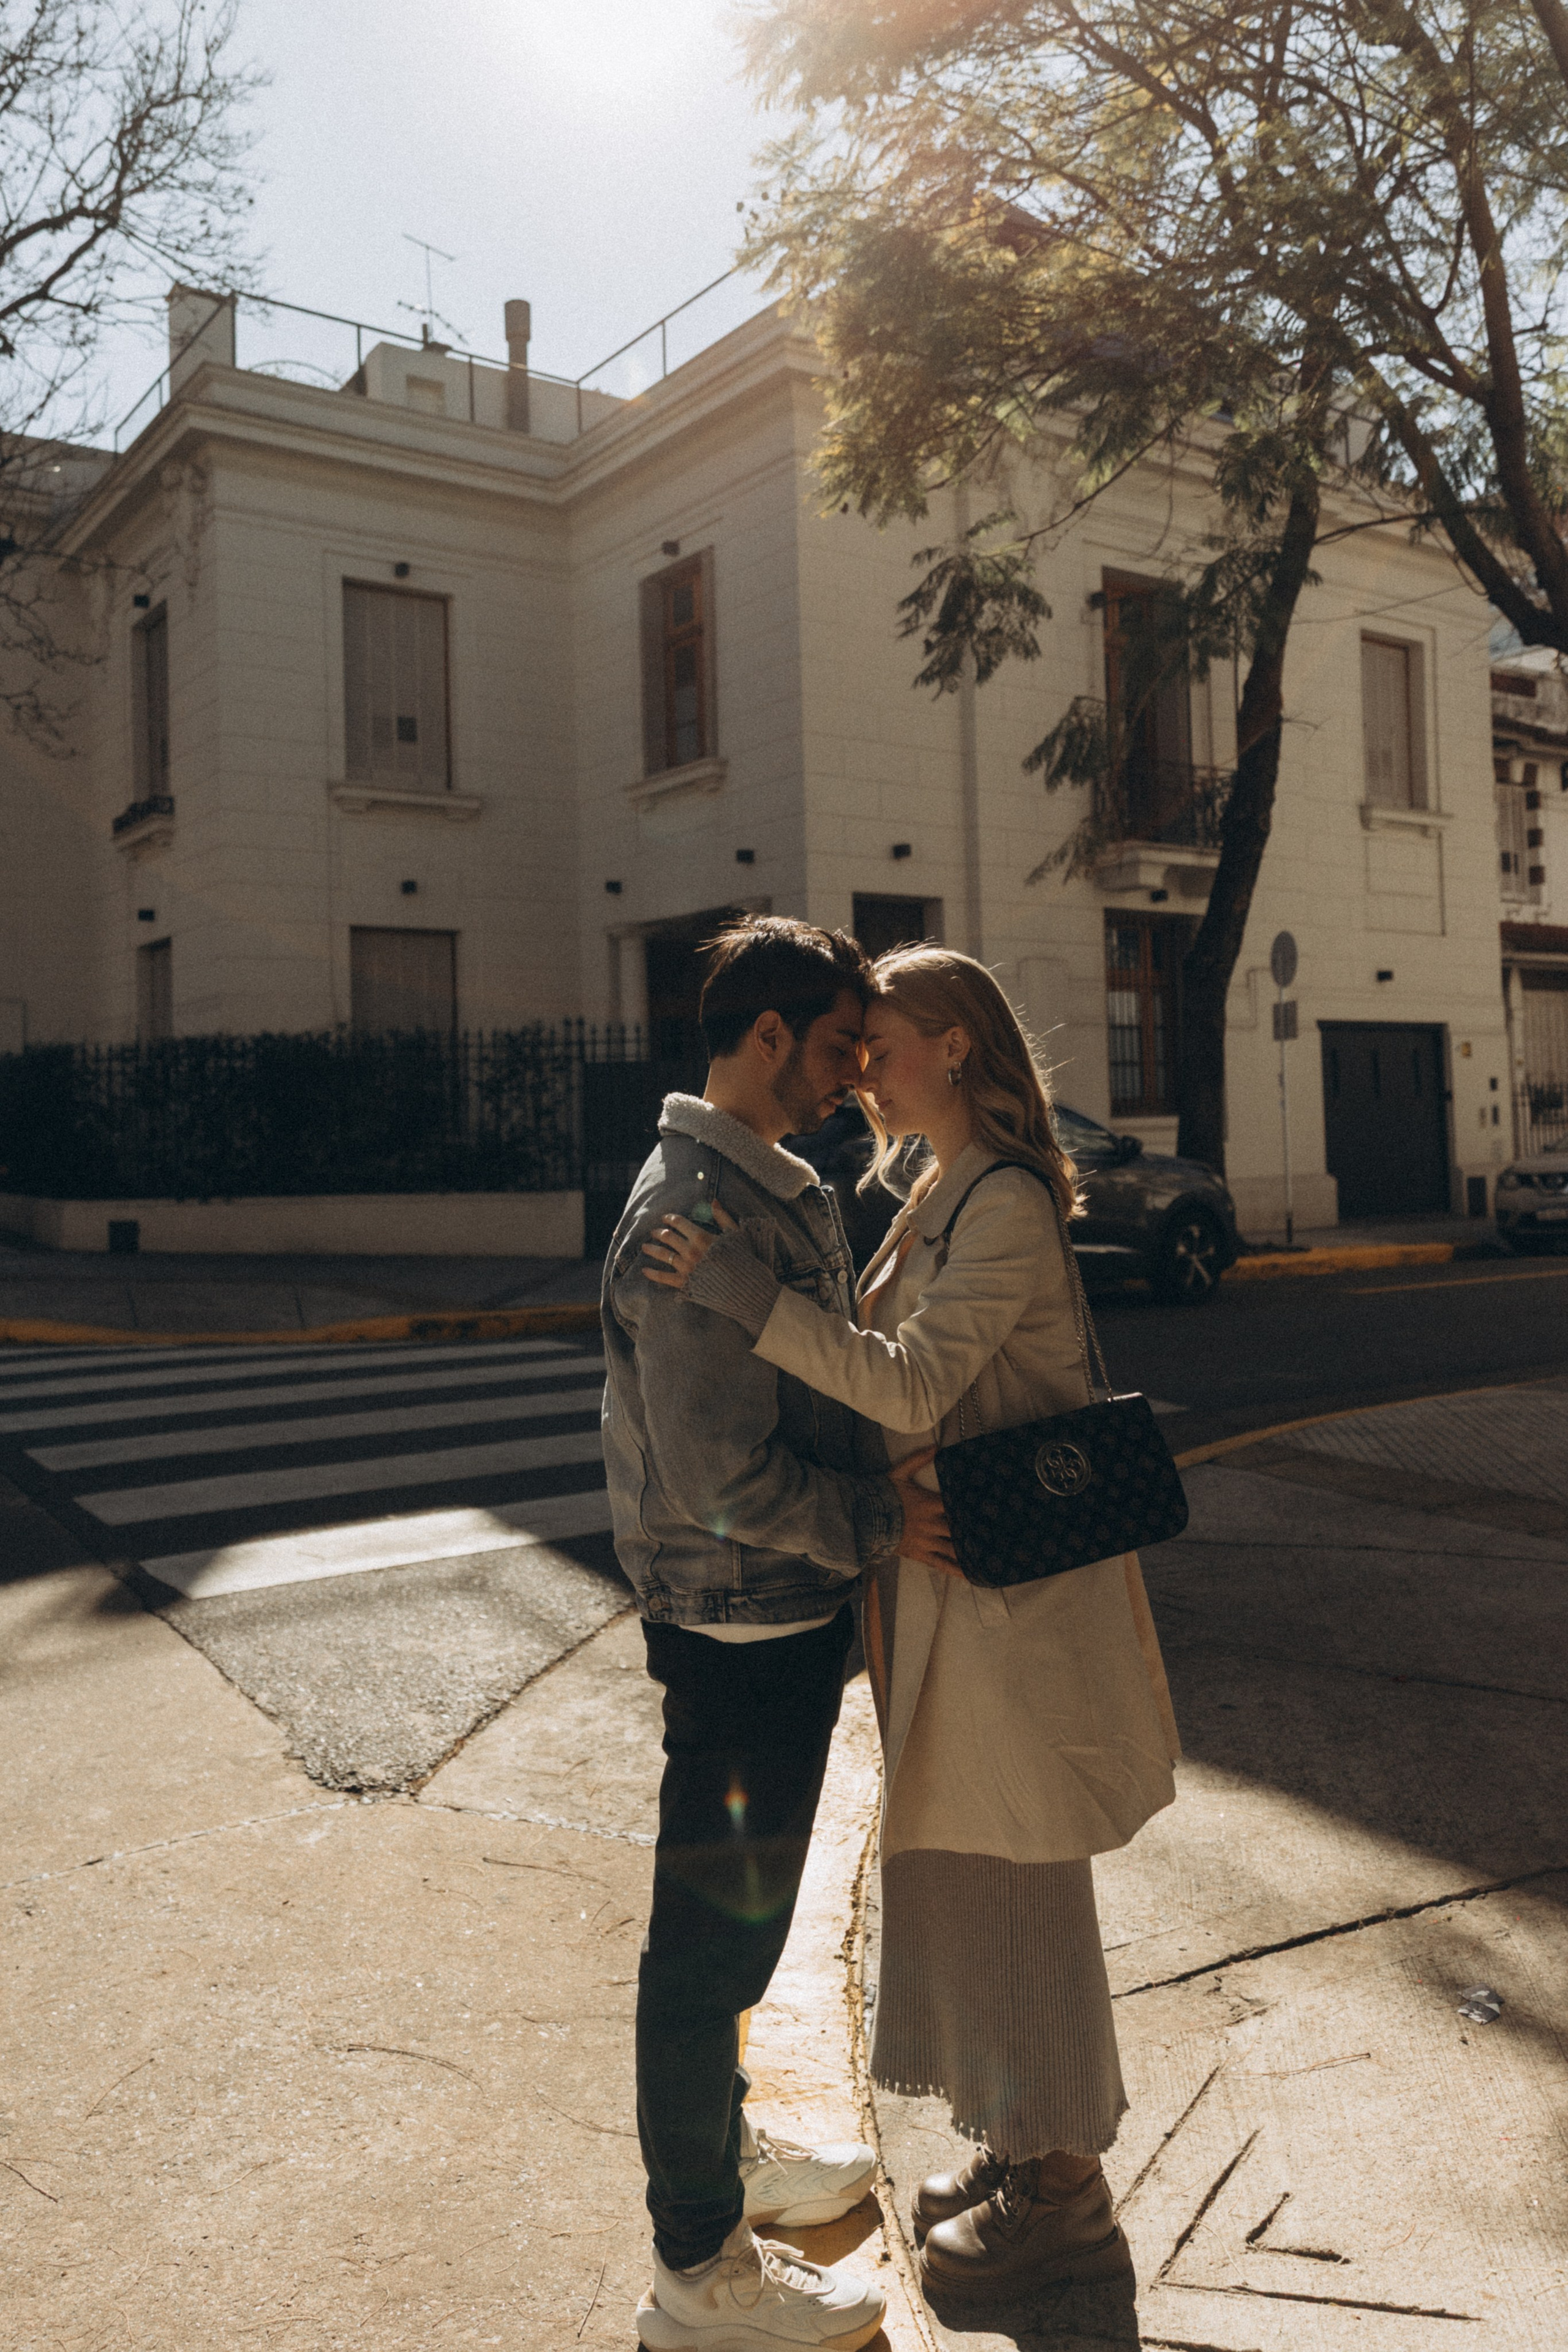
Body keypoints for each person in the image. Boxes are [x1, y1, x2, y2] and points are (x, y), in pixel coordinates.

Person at [644, 943, 1182, 2306]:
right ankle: (1020, 2145)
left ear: (956, 1046)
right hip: (951, 1609)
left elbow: (910, 1382)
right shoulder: (931, 1188)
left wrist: (740, 1298)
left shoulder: (997, 1200)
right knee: (967, 1893)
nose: (861, 1067)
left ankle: (1064, 2199)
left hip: (1012, 1619)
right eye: (853, 1043)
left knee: (1022, 1901)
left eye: (881, 1043)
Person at [601, 916, 957, 2352]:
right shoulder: (695, 1208)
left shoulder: (766, 1185)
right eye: (829, 1047)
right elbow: (719, 1479)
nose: (848, 1073)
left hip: (781, 1623)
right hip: (739, 1628)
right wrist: (878, 1529)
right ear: (763, 1038)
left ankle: (724, 2160)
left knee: (736, 1942)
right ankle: (694, 2270)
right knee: (704, 1957)